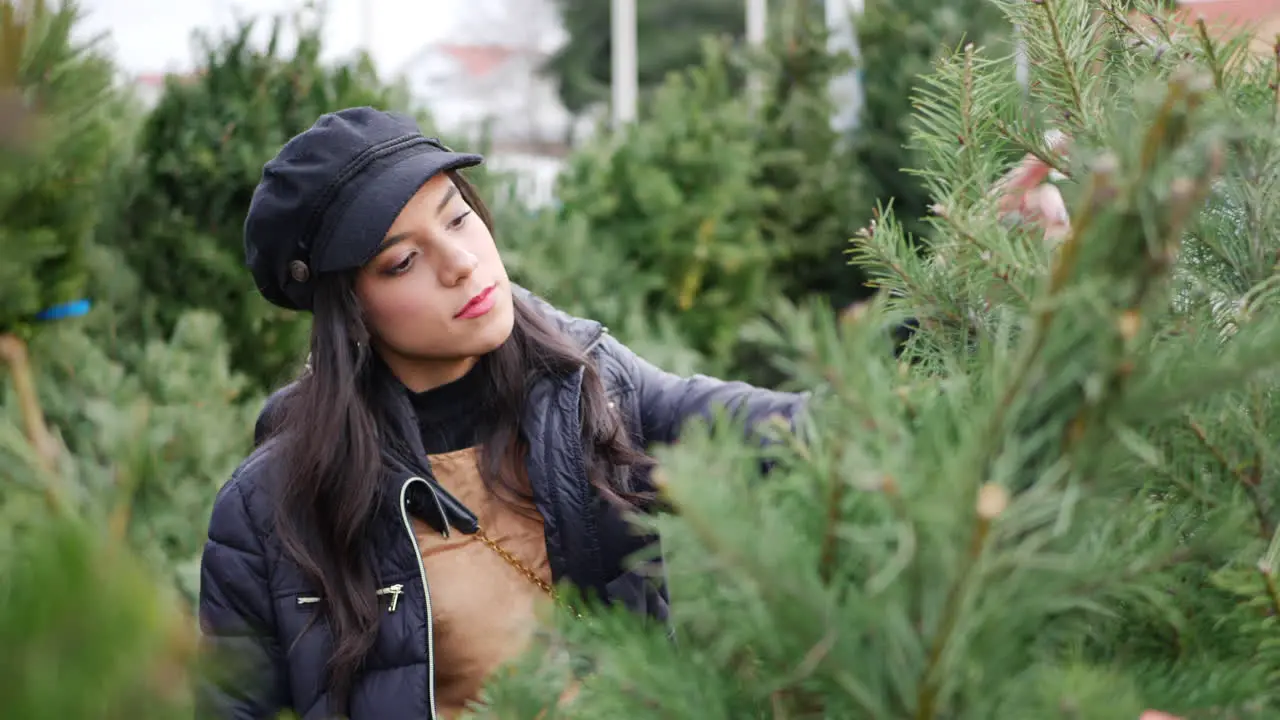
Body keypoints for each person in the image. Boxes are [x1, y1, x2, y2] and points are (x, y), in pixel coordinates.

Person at [196, 106, 808, 720]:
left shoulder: (591, 388)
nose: (460, 263)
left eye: (458, 218)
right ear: (349, 313)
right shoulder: (274, 510)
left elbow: (771, 428)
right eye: (403, 261)